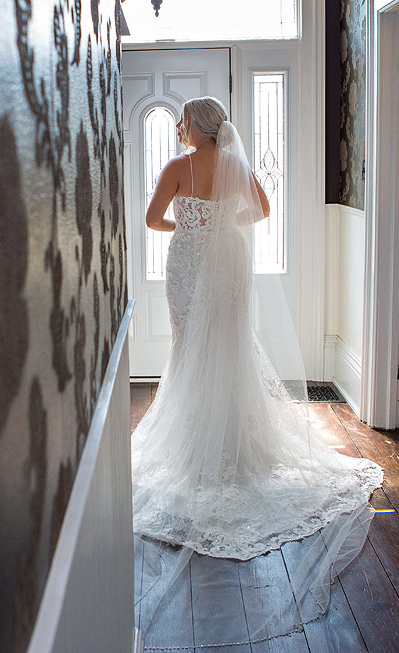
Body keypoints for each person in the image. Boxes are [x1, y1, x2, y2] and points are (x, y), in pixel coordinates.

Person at [132, 96, 384, 646]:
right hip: (229, 262)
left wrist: (190, 226)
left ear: (196, 127)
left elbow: (152, 220)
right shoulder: (235, 165)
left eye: (182, 121)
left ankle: (199, 442)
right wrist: (223, 225)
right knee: (229, 346)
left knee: (189, 348)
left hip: (188, 263)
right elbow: (263, 210)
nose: (178, 128)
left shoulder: (177, 167)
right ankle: (231, 442)